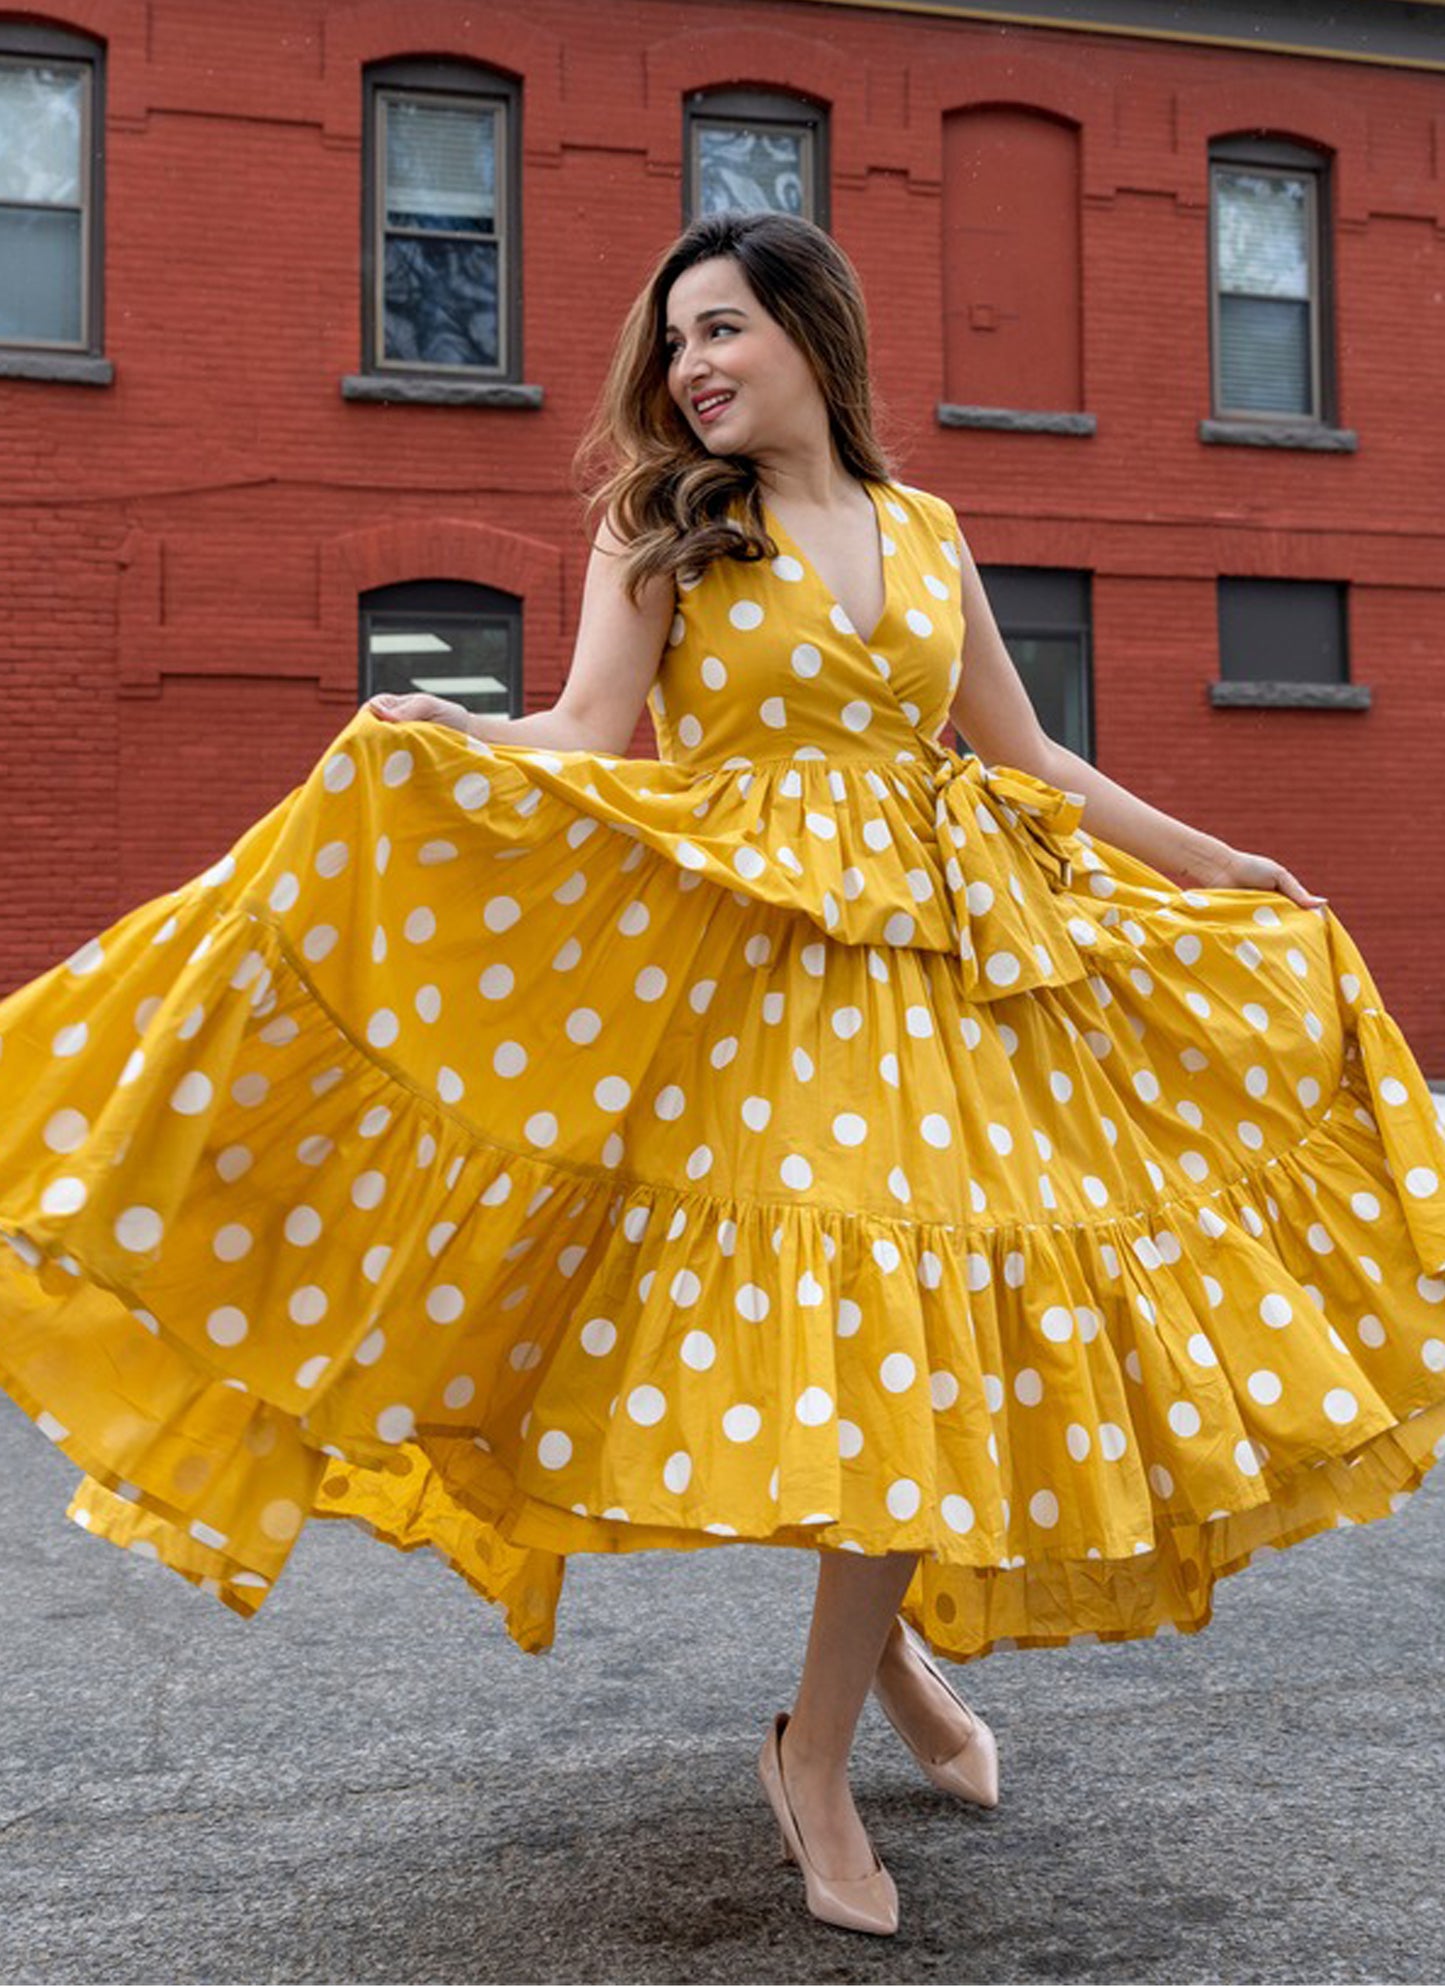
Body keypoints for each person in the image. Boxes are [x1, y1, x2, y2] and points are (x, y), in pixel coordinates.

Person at [2, 210, 1443, 1941]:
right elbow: (583, 731)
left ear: (810, 338)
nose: (690, 366)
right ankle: (824, 1754)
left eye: (722, 331)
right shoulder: (665, 528)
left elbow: (1027, 749)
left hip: (941, 984)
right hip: (759, 996)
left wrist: (1215, 860)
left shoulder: (923, 529)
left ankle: (839, 1696)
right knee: (863, 1341)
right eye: (675, 340)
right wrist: (461, 736)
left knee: (918, 1340)